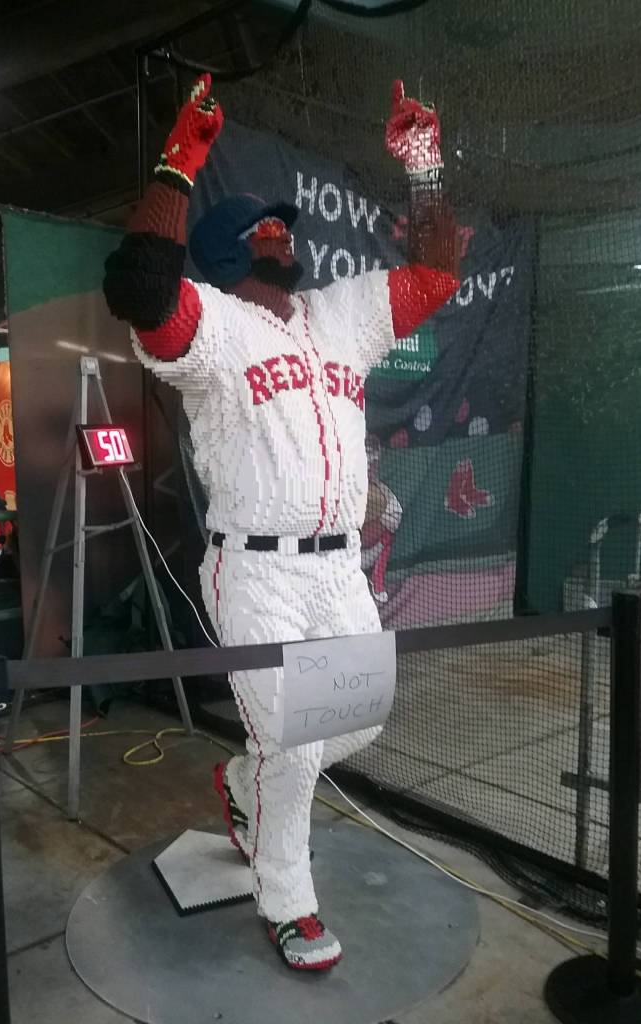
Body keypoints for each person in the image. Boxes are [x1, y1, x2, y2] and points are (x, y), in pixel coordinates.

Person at [104, 74, 459, 971]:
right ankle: (287, 899)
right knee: (297, 741)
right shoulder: (214, 325)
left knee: (361, 716)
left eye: (284, 226)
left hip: (338, 570)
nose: (279, 231)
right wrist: (181, 157)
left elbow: (436, 272)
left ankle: (240, 779)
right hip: (256, 571)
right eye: (262, 225)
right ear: (227, 254)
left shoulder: (340, 315)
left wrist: (423, 165)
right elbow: (143, 284)